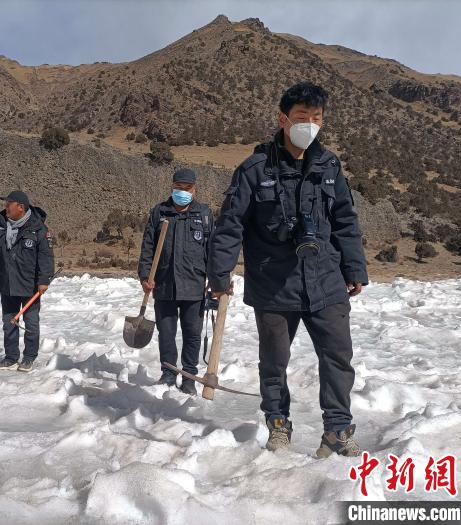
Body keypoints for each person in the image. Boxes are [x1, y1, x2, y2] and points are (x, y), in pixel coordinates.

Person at [207, 82, 368, 457]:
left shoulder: (329, 166)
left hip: (325, 280)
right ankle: (278, 423)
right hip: (273, 284)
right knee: (274, 362)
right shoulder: (254, 169)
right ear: (283, 119)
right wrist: (220, 274)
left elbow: (345, 220)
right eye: (301, 116)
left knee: (337, 356)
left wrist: (354, 268)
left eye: (316, 118)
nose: (309, 124)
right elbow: (231, 225)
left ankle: (337, 430)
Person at [138, 168, 214, 395]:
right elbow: (148, 246)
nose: (182, 192)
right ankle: (169, 372)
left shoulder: (204, 214)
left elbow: (212, 249)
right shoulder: (160, 212)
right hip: (164, 284)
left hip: (194, 285)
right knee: (166, 332)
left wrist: (216, 279)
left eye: (187, 188)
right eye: (178, 187)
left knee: (192, 333)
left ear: (194, 189)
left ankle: (189, 376)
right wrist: (145, 275)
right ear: (172, 187)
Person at [0, 190, 55, 372]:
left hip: (30, 285)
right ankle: (11, 358)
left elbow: (46, 256)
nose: (6, 207)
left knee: (31, 324)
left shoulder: (38, 228)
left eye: (9, 204)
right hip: (7, 283)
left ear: (20, 207)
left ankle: (29, 357)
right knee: (9, 323)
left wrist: (44, 279)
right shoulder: (1, 225)